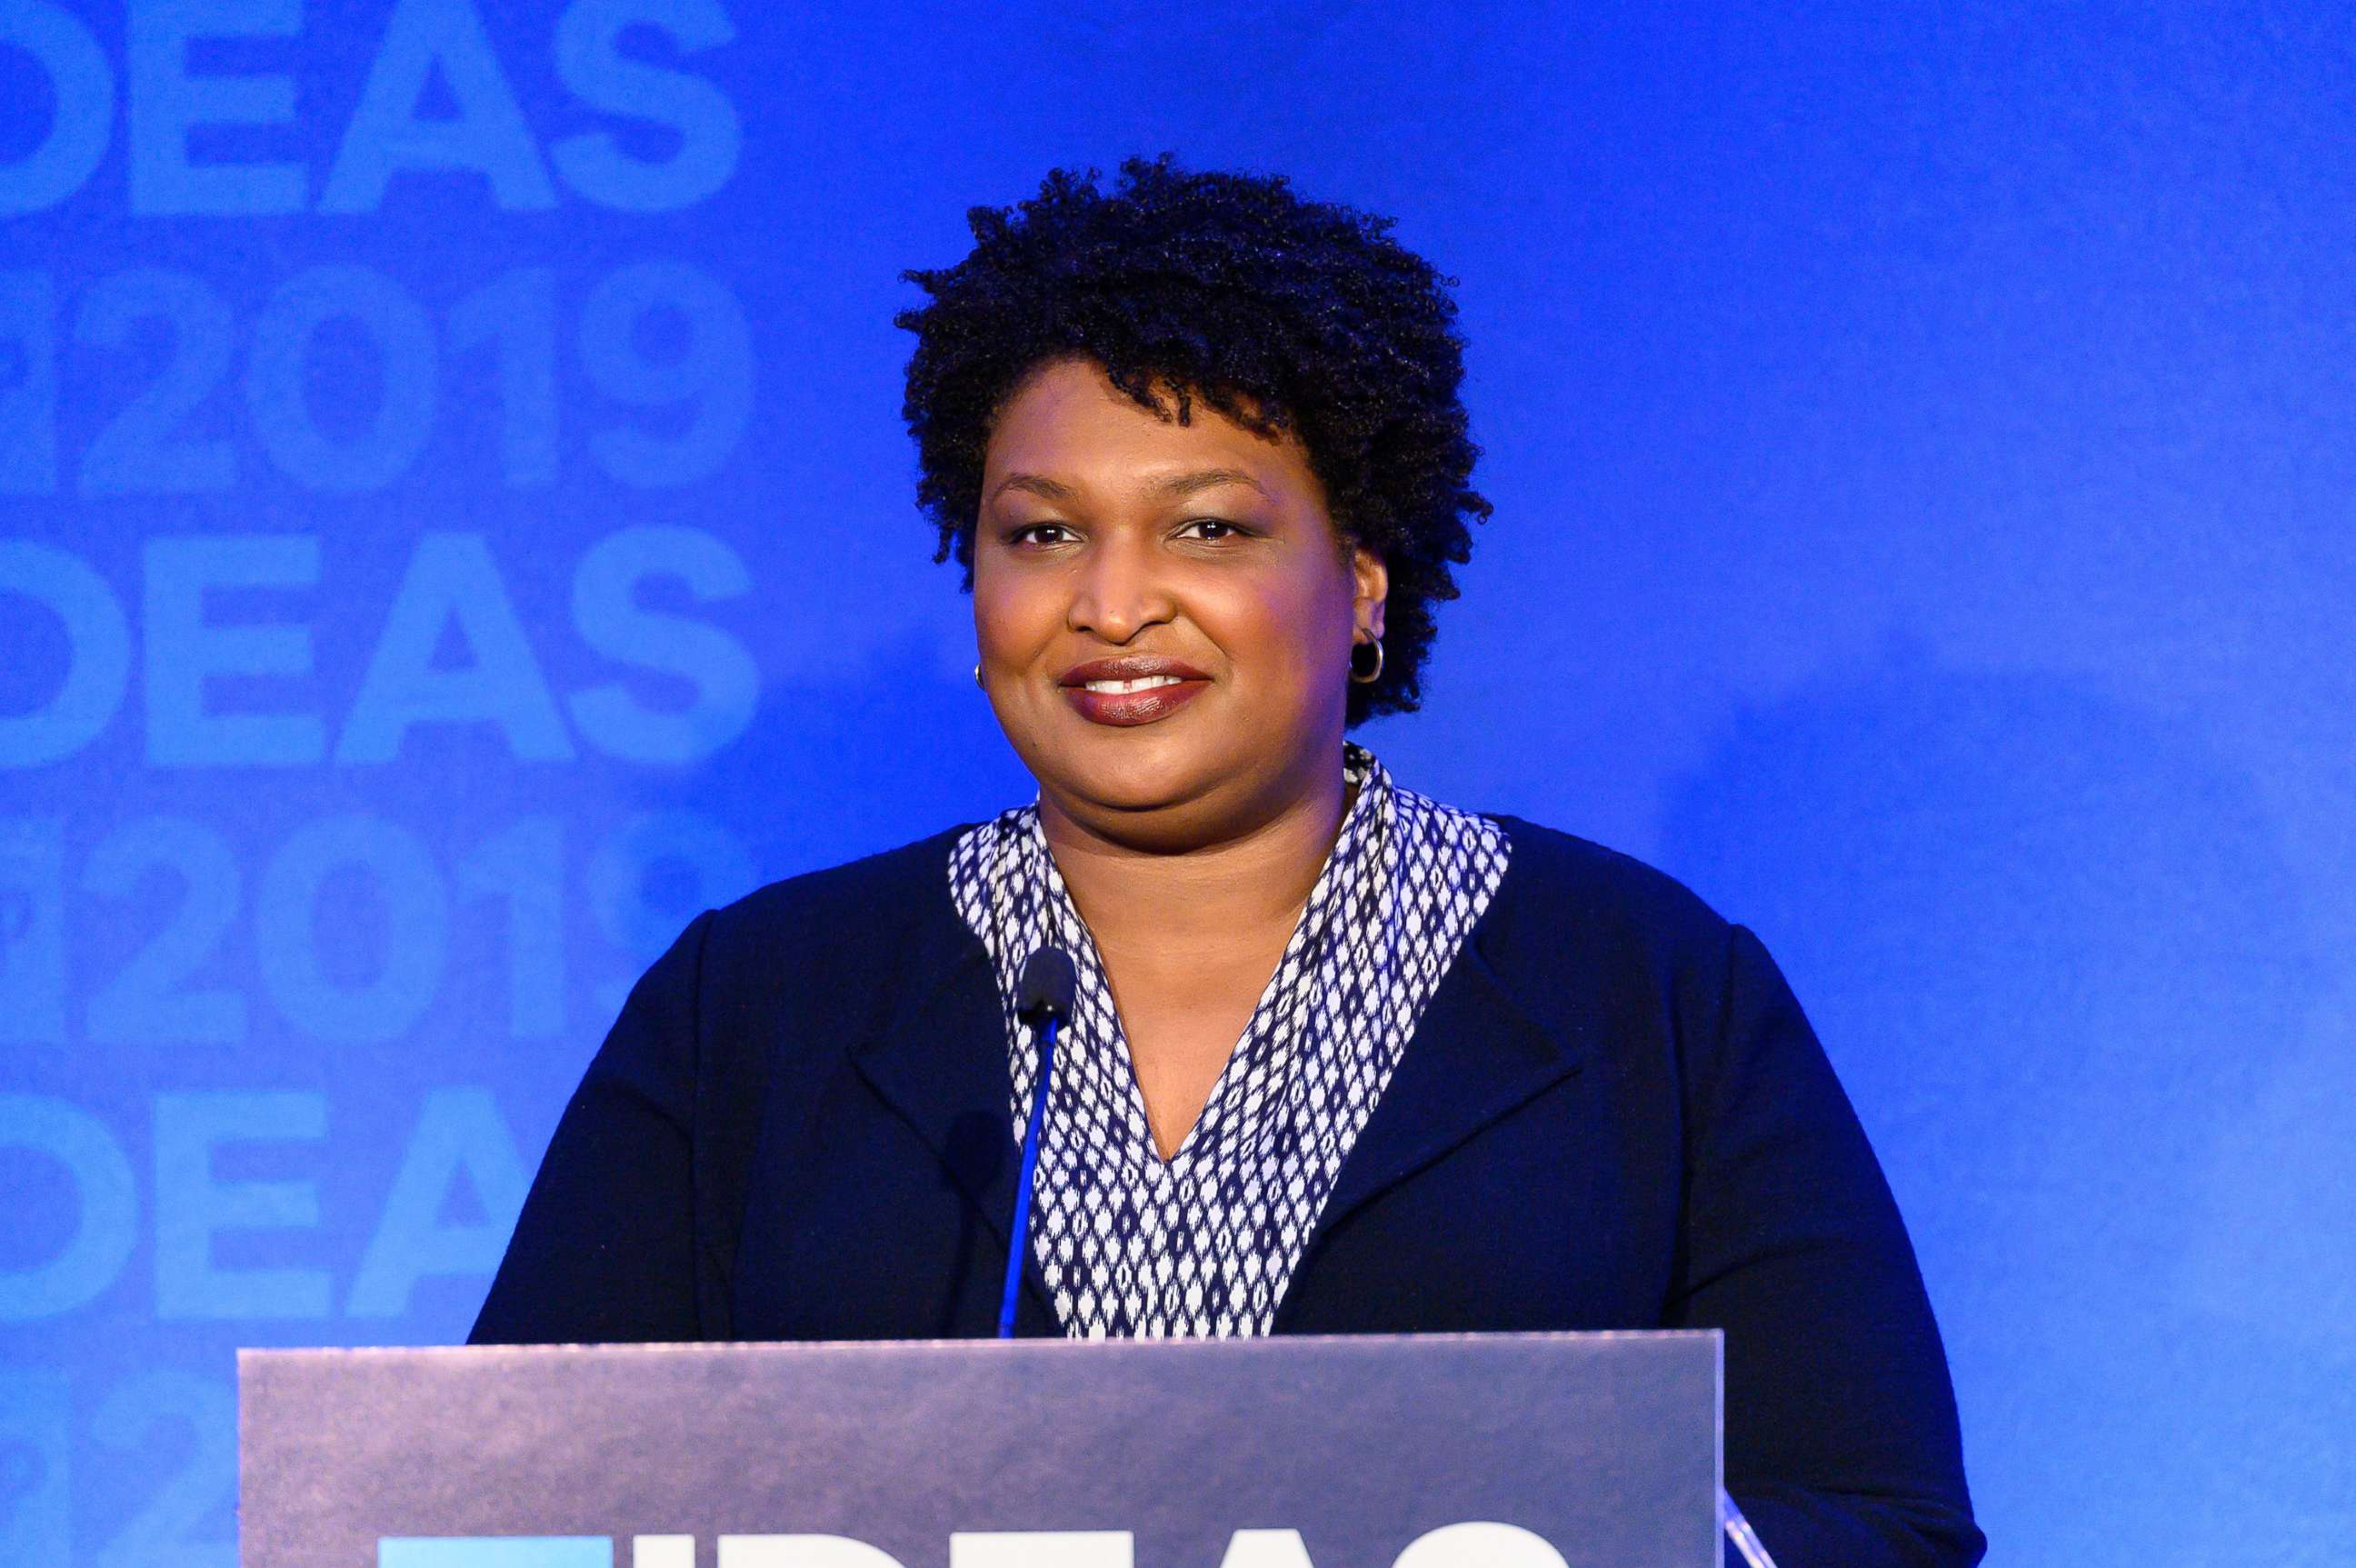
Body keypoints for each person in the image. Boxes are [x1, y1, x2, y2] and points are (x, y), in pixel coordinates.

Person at [472, 154, 1985, 1566]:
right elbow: (496, 1504)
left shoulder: (1642, 987)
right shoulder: (759, 1000)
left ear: (1366, 584)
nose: (1112, 603)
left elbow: (1877, 1518)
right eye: (1042, 535)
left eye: (1205, 529)